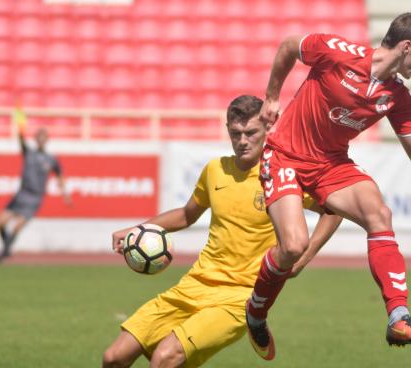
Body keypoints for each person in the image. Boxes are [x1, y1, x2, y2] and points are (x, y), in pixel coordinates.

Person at [245, 12, 411, 360]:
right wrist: (272, 96)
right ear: (407, 46)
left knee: (379, 214)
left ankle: (398, 315)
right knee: (293, 246)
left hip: (331, 164)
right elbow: (289, 46)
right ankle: (256, 311)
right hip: (285, 155)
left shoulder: (397, 96)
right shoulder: (338, 53)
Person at [102, 95, 343, 367]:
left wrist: (303, 257)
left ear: (267, 128)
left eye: (250, 132)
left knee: (164, 358)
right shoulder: (215, 170)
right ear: (227, 128)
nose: (243, 141)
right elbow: (186, 214)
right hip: (194, 284)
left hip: (241, 296)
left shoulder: (283, 174)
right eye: (236, 133)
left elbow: (333, 211)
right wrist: (140, 228)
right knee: (114, 358)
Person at [0, 124, 71, 264]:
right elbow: (21, 141)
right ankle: (7, 247)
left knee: (17, 226)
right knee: (0, 222)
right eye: (39, 137)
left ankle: (4, 251)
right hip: (21, 194)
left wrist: (65, 194)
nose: (41, 140)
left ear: (47, 140)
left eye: (44, 137)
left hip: (35, 197)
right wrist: (20, 130)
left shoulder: (51, 159)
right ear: (35, 139)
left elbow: (60, 175)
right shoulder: (28, 152)